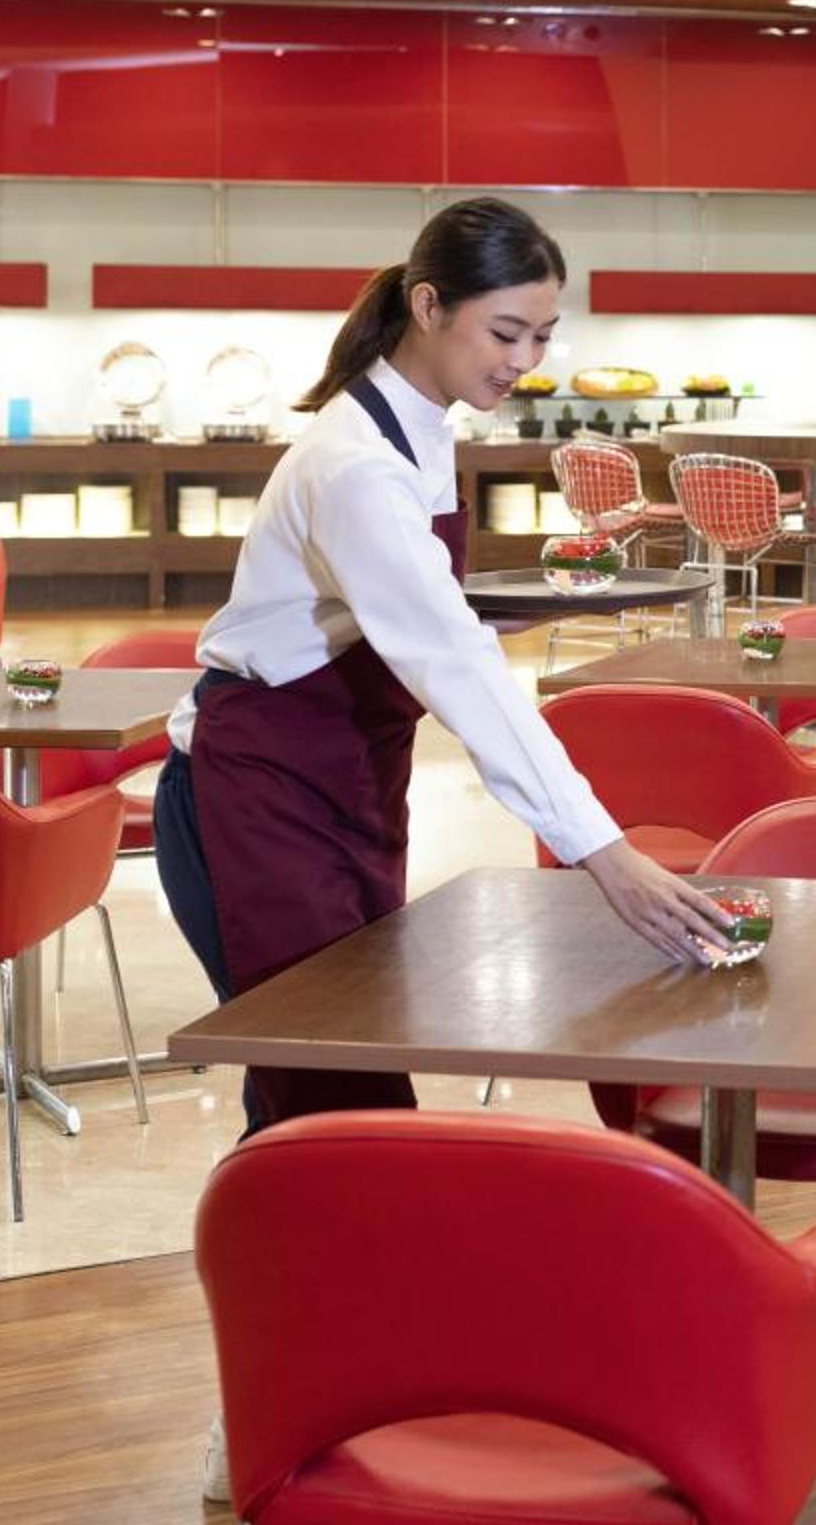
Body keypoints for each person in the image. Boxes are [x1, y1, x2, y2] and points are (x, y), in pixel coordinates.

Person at [152, 196, 730, 1142]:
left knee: (323, 1088)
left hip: (343, 781)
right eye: (505, 332)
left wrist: (534, 603)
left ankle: (285, 1238)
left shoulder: (420, 423)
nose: (525, 359)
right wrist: (603, 851)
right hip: (254, 793)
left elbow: (408, 607)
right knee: (336, 1096)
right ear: (427, 306)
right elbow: (454, 665)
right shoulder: (355, 464)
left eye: (542, 335)